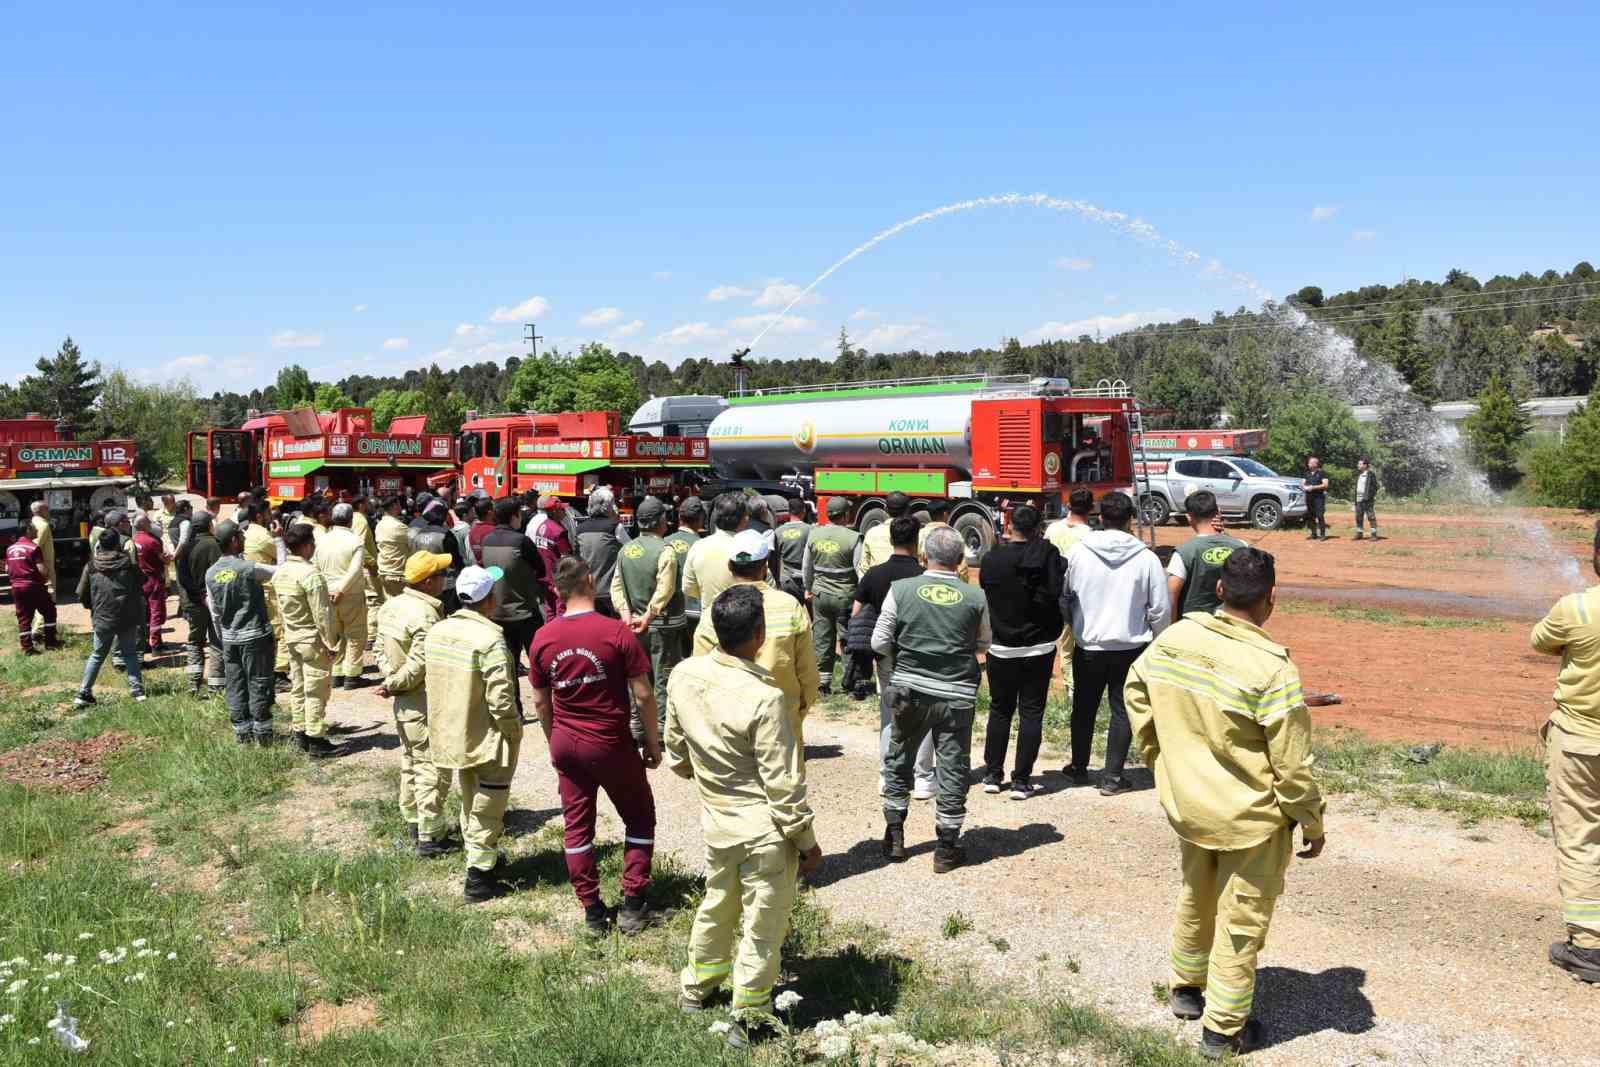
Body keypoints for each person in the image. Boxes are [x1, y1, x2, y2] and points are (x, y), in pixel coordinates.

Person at [1125, 547, 1326, 1059]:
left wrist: (1160, 758)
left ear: (1218, 590)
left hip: (1189, 805)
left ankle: (1186, 988)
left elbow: (1136, 690)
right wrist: (1310, 820)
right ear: (1272, 597)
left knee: (1196, 894)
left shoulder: (1174, 640)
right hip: (1250, 821)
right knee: (1242, 921)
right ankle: (1223, 1031)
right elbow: (1292, 766)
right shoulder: (1272, 669)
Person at [666, 584, 822, 1043]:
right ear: (759, 635)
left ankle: (698, 985)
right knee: (762, 923)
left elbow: (677, 749)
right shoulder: (764, 697)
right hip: (764, 831)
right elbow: (782, 783)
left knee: (718, 901)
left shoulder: (685, 674)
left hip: (717, 820)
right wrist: (806, 842)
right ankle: (750, 1015)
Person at [531, 557, 665, 936]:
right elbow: (643, 694)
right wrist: (652, 742)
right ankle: (634, 905)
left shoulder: (543, 637)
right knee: (639, 816)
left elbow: (540, 701)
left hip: (566, 741)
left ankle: (592, 911)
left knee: (577, 827)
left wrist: (554, 740)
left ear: (556, 590)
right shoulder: (616, 632)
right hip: (610, 742)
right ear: (591, 580)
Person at [873, 525, 990, 872]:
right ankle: (946, 848)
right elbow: (984, 643)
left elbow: (879, 642)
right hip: (957, 695)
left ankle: (895, 836)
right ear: (960, 559)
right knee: (953, 767)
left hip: (909, 691)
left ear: (924, 555)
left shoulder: (901, 589)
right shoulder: (976, 597)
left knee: (899, 758)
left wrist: (898, 669)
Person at [1061, 491, 1171, 795]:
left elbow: (1065, 596)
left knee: (1084, 707)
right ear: (1130, 520)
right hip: (1131, 647)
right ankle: (1112, 777)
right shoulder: (1147, 558)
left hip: (1089, 645)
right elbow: (1160, 609)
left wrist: (1075, 625)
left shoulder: (1078, 553)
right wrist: (1157, 639)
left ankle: (1078, 768)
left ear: (1100, 517)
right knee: (1122, 710)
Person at [426, 564, 522, 903]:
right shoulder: (490, 640)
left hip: (452, 733)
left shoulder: (438, 630)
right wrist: (513, 731)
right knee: (488, 804)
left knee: (470, 797)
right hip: (487, 737)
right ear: (489, 600)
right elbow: (501, 699)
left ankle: (482, 858)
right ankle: (479, 878)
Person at [1530, 526, 1600, 984]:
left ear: (1596, 554)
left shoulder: (1575, 608)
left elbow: (1540, 640)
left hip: (1580, 743)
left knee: (1580, 839)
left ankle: (1589, 946)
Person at [691, 529, 820, 733]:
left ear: (729, 566)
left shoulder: (715, 609)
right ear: (765, 567)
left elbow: (700, 672)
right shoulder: (789, 606)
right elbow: (808, 673)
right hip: (781, 719)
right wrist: (796, 713)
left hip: (730, 723)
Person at [374, 550, 457, 857]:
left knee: (411, 761)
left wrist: (390, 678)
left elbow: (378, 649)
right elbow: (420, 664)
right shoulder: (426, 615)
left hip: (404, 702)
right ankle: (431, 835)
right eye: (441, 575)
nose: (445, 579)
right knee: (432, 767)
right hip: (423, 700)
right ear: (427, 582)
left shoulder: (390, 606)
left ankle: (413, 818)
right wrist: (394, 683)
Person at [978, 505, 1064, 799]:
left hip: (1001, 646)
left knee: (1000, 710)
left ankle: (992, 774)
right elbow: (1057, 591)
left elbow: (988, 590)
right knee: (1031, 713)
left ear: (1010, 525)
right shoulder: (1048, 556)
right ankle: (1022, 780)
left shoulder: (992, 559)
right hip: (1039, 646)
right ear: (1038, 528)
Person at [854, 516, 933, 794]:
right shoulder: (924, 576)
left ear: (891, 539)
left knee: (890, 715)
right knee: (923, 715)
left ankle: (887, 776)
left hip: (886, 653)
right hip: (918, 654)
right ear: (916, 541)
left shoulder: (874, 574)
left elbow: (856, 614)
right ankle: (922, 777)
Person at [205, 520, 279, 746]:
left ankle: (243, 736)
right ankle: (264, 737)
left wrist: (223, 636)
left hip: (230, 638)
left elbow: (215, 612)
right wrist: (279, 540)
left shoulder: (210, 573)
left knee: (235, 684)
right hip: (255, 636)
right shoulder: (249, 568)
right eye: (241, 535)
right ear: (234, 540)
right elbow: (282, 572)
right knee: (259, 682)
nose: (245, 538)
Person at [611, 497, 684, 718]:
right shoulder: (666, 550)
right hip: (663, 628)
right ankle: (660, 726)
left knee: (638, 678)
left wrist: (626, 616)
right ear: (661, 521)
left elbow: (616, 586)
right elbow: (665, 589)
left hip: (633, 625)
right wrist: (648, 617)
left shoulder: (625, 550)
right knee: (663, 679)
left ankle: (638, 724)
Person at [272, 523, 340, 757]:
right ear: (307, 545)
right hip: (312, 640)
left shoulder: (281, 572)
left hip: (292, 637)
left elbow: (278, 608)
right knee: (316, 690)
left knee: (299, 687)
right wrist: (331, 643)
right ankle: (316, 739)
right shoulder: (311, 575)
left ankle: (299, 732)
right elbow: (322, 614)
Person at [73, 528, 146, 706]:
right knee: (130, 653)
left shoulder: (91, 566)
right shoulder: (128, 564)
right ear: (117, 544)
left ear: (100, 544)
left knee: (97, 655)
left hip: (102, 616)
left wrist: (93, 607)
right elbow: (142, 582)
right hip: (127, 615)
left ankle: (83, 693)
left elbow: (81, 593)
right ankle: (137, 692)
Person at [803, 497, 861, 697]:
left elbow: (807, 566)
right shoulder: (853, 538)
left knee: (822, 637)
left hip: (820, 594)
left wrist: (808, 587)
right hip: (845, 596)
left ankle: (823, 683)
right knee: (847, 639)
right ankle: (850, 682)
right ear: (845, 515)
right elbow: (860, 570)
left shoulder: (814, 535)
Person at [1167, 491, 1247, 620]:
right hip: (1229, 625)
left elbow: (1171, 596)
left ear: (1189, 518)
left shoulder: (1183, 553)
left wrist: (1173, 626)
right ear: (1218, 512)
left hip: (1192, 626)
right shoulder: (1242, 547)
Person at [1046, 488, 1097, 690]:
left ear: (1068, 505)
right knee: (1082, 643)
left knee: (1065, 645)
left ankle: (1070, 686)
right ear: (1091, 509)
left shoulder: (1053, 529)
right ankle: (1077, 685)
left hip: (1057, 592)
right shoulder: (1090, 535)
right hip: (1082, 595)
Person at [315, 503, 369, 690]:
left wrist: (327, 590)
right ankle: (352, 676)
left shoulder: (322, 539)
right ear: (350, 520)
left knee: (335, 634)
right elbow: (355, 570)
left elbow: (315, 566)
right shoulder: (355, 541)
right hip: (350, 594)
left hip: (327, 594)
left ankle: (337, 673)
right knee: (355, 634)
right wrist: (341, 590)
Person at [177, 511, 225, 696]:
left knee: (195, 642)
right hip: (214, 603)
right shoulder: (216, 545)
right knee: (216, 642)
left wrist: (197, 594)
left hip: (193, 603)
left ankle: (193, 683)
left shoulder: (186, 548)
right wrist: (207, 595)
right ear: (209, 525)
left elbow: (182, 578)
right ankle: (216, 685)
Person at [242, 502, 289, 688]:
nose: (271, 515)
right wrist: (279, 538)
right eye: (268, 512)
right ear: (260, 516)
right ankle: (279, 673)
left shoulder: (247, 532)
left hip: (255, 590)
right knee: (281, 633)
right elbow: (283, 557)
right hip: (268, 591)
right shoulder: (263, 536)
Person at [683, 492, 747, 619]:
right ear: (743, 520)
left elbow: (688, 588)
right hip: (742, 621)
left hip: (709, 620)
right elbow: (764, 585)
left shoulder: (698, 547)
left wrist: (709, 596)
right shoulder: (748, 549)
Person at [664, 497, 706, 654]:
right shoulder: (703, 545)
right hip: (694, 612)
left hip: (668, 614)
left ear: (679, 517)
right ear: (701, 519)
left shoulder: (664, 542)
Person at [408, 498, 464, 613]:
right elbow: (456, 561)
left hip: (424, 582)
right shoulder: (446, 535)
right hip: (445, 585)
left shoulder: (418, 534)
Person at [576, 487, 624, 617]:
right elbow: (630, 549)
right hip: (610, 591)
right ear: (609, 506)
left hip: (588, 589)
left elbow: (576, 556)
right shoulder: (615, 527)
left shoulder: (580, 529)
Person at [529, 494, 574, 619]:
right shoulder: (558, 532)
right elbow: (566, 558)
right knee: (561, 611)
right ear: (554, 511)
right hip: (558, 578)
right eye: (562, 509)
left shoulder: (542, 526)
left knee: (550, 611)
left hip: (545, 576)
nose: (565, 512)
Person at [130, 513, 168, 654]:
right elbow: (164, 560)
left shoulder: (132, 540)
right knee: (156, 612)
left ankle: (144, 643)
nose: (150, 523)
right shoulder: (152, 541)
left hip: (139, 581)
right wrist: (169, 558)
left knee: (143, 613)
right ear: (143, 524)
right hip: (154, 580)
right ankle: (156, 645)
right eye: (148, 521)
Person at [857, 491, 910, 576]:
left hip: (877, 581)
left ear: (885, 509)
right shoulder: (915, 534)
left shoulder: (872, 533)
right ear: (907, 510)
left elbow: (864, 567)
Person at [772, 496, 811, 601]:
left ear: (789, 512)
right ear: (804, 511)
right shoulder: (810, 530)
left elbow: (774, 560)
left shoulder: (778, 531)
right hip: (806, 581)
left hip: (786, 580)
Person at [375, 496, 412, 600]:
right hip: (397, 574)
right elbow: (414, 543)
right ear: (394, 506)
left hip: (383, 572)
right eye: (399, 503)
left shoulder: (379, 525)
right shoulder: (399, 527)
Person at [1353, 458, 1382, 541]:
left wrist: (1370, 496)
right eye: (1358, 464)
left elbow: (1375, 487)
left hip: (1367, 499)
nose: (1358, 465)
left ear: (1365, 465)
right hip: (1358, 499)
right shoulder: (1359, 474)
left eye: (1360, 464)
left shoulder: (1371, 474)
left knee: (1371, 516)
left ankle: (1374, 534)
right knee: (1358, 516)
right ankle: (1359, 533)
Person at [1300, 456, 1328, 541]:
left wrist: (1313, 487)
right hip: (1309, 497)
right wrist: (1304, 487)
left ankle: (1323, 535)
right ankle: (1313, 533)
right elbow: (1302, 484)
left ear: (1316, 464)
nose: (1309, 464)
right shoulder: (1306, 473)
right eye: (1309, 463)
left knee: (1320, 515)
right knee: (1310, 516)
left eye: (1311, 462)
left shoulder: (1322, 473)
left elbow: (1325, 485)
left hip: (1319, 497)